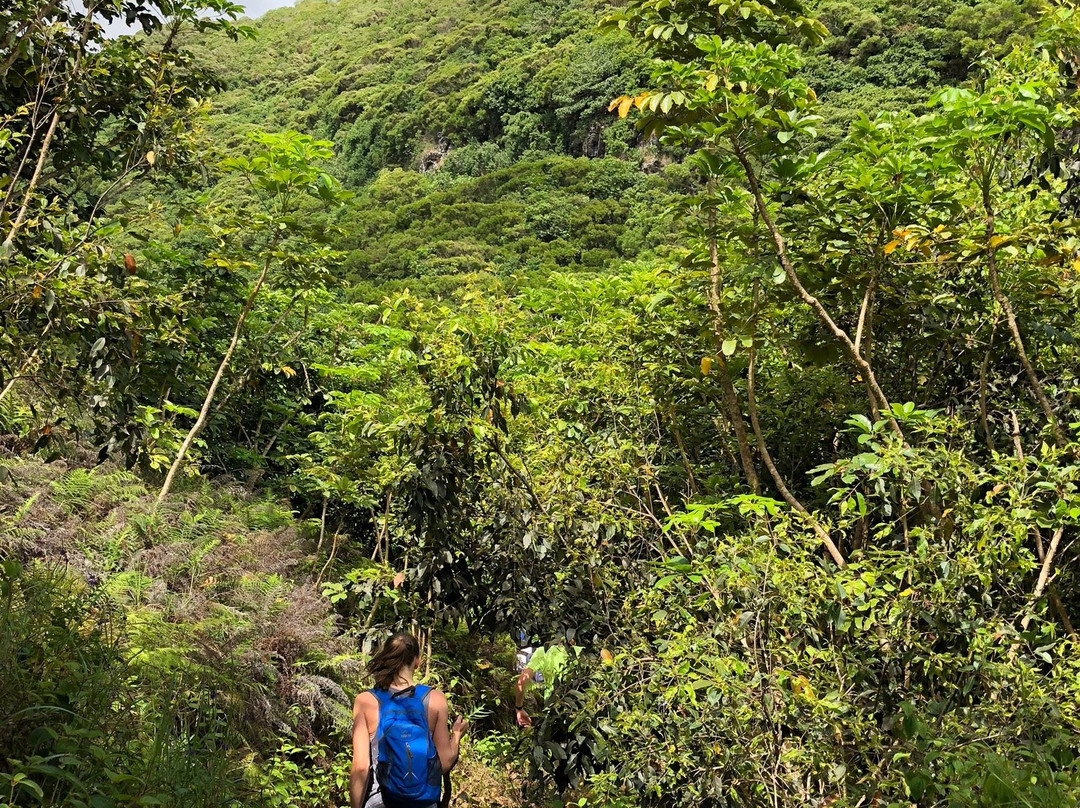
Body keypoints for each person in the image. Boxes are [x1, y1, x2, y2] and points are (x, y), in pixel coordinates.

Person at [350, 632, 468, 808]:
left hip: (381, 801)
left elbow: (360, 767)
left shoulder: (366, 701)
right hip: (424, 802)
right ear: (417, 661)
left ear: (386, 658)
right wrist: (457, 735)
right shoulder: (435, 699)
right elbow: (443, 762)